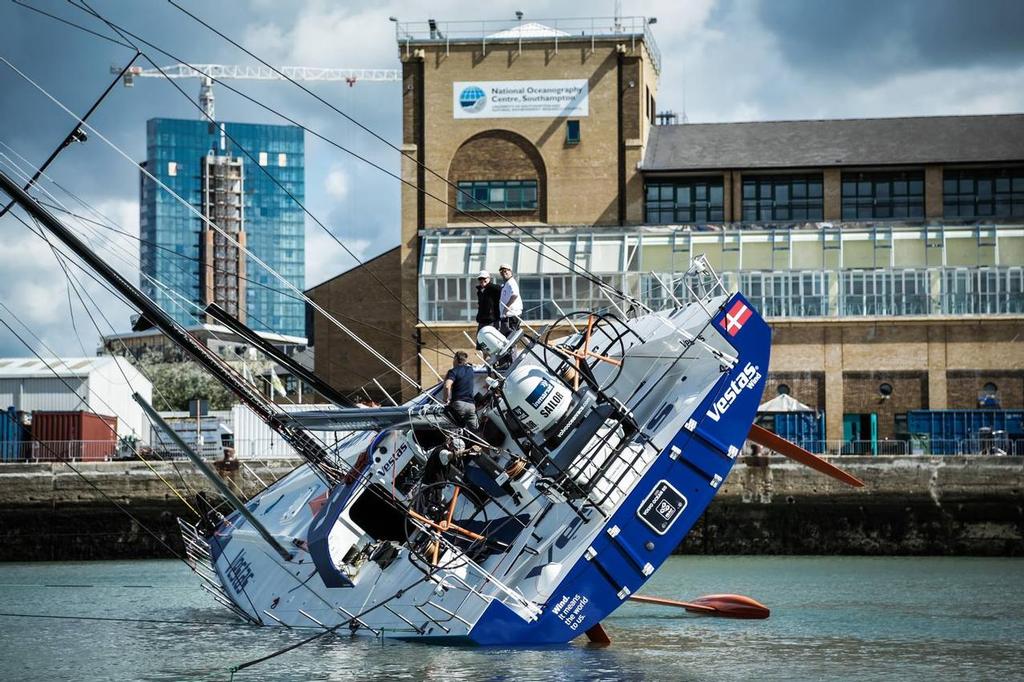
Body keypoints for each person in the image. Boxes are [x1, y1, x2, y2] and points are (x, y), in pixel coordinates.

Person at [443, 351, 479, 431]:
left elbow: (447, 385)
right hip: (471, 406)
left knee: (453, 431)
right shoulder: (470, 370)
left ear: (455, 359)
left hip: (459, 404)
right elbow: (471, 365)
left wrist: (446, 399)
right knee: (476, 431)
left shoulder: (453, 371)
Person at [497, 263, 522, 337]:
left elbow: (514, 295)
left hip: (511, 315)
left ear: (510, 271)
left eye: (505, 271)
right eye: (501, 272)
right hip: (508, 315)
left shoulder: (511, 282)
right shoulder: (506, 283)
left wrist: (506, 309)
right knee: (512, 334)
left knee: (510, 335)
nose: (503, 273)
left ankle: (513, 348)